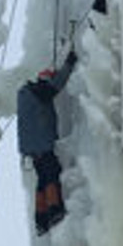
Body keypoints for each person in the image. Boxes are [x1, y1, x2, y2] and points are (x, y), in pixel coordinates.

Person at [17, 52, 78, 234]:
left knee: (42, 179)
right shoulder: (39, 92)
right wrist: (69, 64)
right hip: (42, 146)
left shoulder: (26, 95)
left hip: (32, 149)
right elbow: (56, 85)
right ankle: (54, 209)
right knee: (52, 174)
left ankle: (41, 219)